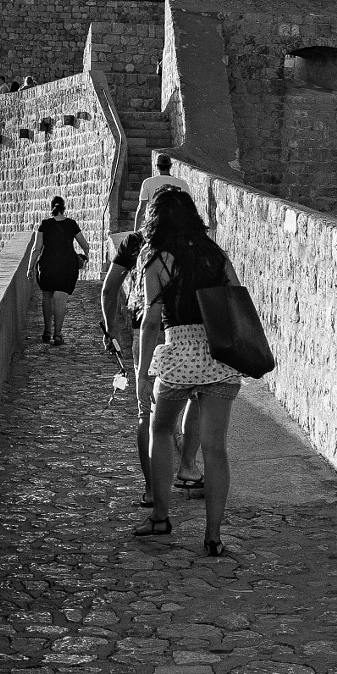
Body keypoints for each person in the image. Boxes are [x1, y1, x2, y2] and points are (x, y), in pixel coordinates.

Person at [134, 187, 243, 555]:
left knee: (160, 428)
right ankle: (213, 536)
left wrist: (142, 373)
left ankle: (161, 516)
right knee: (216, 449)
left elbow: (150, 322)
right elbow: (236, 299)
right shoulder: (216, 255)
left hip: (179, 354)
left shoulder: (159, 261)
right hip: (219, 356)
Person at [101, 228, 204, 508]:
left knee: (146, 411)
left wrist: (110, 331)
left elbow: (110, 289)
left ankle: (152, 491)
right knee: (191, 397)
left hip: (144, 332)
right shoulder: (191, 242)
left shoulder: (134, 242)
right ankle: (188, 467)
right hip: (182, 332)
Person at [28, 196, 89, 345]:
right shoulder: (71, 224)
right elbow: (85, 245)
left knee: (47, 297)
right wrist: (85, 259)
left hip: (47, 266)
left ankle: (47, 331)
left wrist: (29, 268)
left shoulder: (44, 224)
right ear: (64, 208)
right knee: (60, 299)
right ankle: (57, 334)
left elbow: (36, 249)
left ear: (51, 208)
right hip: (67, 267)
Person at [132, 154, 186, 231]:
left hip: (154, 228)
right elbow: (188, 209)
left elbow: (141, 209)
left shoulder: (148, 182)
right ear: (170, 166)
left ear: (157, 166)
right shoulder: (182, 184)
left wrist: (135, 232)